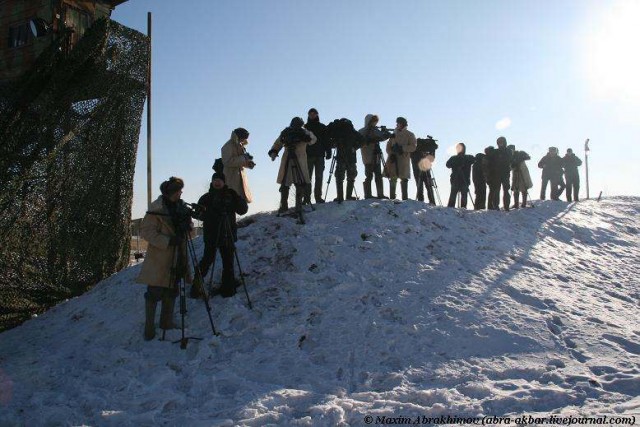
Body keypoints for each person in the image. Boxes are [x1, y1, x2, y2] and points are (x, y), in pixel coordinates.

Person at [137, 177, 193, 341]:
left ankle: (166, 322)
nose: (180, 193)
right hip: (160, 257)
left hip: (179, 254)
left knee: (173, 289)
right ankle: (149, 327)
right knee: (154, 291)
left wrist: (187, 227)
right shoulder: (156, 210)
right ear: (170, 192)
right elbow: (146, 232)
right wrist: (167, 241)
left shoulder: (182, 208)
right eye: (178, 190)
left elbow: (189, 230)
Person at [191, 170, 248, 299]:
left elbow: (242, 210)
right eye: (215, 180)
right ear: (212, 182)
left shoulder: (230, 195)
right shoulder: (206, 197)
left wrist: (238, 198)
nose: (217, 182)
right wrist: (201, 212)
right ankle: (196, 285)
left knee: (228, 262)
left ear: (224, 182)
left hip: (227, 233)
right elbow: (200, 215)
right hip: (211, 234)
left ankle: (228, 288)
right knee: (206, 260)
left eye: (219, 180)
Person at [268, 117, 317, 213]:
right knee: (286, 183)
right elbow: (278, 143)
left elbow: (313, 139)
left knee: (299, 183)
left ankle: (296, 206)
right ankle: (284, 206)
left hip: (298, 159)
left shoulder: (303, 132)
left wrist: (306, 135)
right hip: (288, 159)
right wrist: (274, 151)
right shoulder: (287, 132)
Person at [327, 118, 364, 202]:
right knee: (351, 176)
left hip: (341, 157)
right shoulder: (352, 131)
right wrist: (355, 147)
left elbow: (332, 143)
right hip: (351, 157)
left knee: (339, 177)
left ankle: (340, 197)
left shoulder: (338, 132)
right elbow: (362, 140)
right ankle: (349, 196)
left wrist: (335, 143)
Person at [383, 117, 417, 200]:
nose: (397, 125)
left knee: (404, 178)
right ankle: (392, 197)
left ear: (402, 124)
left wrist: (402, 148)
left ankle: (404, 198)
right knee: (393, 177)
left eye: (398, 123)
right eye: (397, 123)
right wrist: (391, 152)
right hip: (393, 159)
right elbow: (388, 146)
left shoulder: (410, 134)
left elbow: (413, 147)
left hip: (403, 159)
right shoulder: (393, 134)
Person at [359, 114, 391, 199]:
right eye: (373, 121)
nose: (374, 123)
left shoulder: (375, 130)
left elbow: (382, 137)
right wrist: (370, 140)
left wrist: (386, 133)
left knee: (378, 175)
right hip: (368, 156)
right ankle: (368, 194)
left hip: (376, 156)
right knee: (369, 175)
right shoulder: (362, 131)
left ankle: (380, 194)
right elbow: (360, 142)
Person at [304, 108, 331, 204]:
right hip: (308, 155)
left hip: (320, 155)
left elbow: (326, 140)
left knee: (319, 177)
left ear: (317, 115)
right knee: (308, 177)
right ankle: (306, 198)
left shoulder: (322, 127)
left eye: (313, 113)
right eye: (310, 114)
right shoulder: (305, 127)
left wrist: (328, 151)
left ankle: (318, 197)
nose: (312, 115)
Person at [221, 127, 255, 204]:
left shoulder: (240, 145)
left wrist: (248, 163)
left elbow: (240, 161)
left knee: (240, 202)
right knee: (232, 200)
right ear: (239, 137)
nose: (244, 140)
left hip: (240, 177)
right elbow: (227, 161)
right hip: (231, 177)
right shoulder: (228, 146)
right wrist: (243, 158)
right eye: (243, 138)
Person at [486, 136, 513, 210]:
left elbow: (510, 160)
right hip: (497, 174)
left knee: (506, 190)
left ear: (505, 143)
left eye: (502, 142)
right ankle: (496, 205)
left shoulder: (508, 151)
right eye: (499, 143)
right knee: (496, 190)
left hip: (505, 174)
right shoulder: (495, 152)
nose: (501, 144)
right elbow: (490, 161)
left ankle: (506, 206)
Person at [445, 143, 475, 208]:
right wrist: (457, 163)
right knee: (455, 195)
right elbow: (447, 165)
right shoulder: (455, 158)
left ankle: (457, 208)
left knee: (461, 195)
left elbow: (474, 160)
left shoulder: (468, 157)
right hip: (457, 179)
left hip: (463, 179)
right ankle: (452, 208)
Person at [411, 136, 439, 204]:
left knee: (420, 185)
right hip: (424, 168)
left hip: (418, 169)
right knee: (428, 185)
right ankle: (432, 202)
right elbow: (432, 159)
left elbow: (411, 156)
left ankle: (421, 201)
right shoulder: (428, 148)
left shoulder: (415, 149)